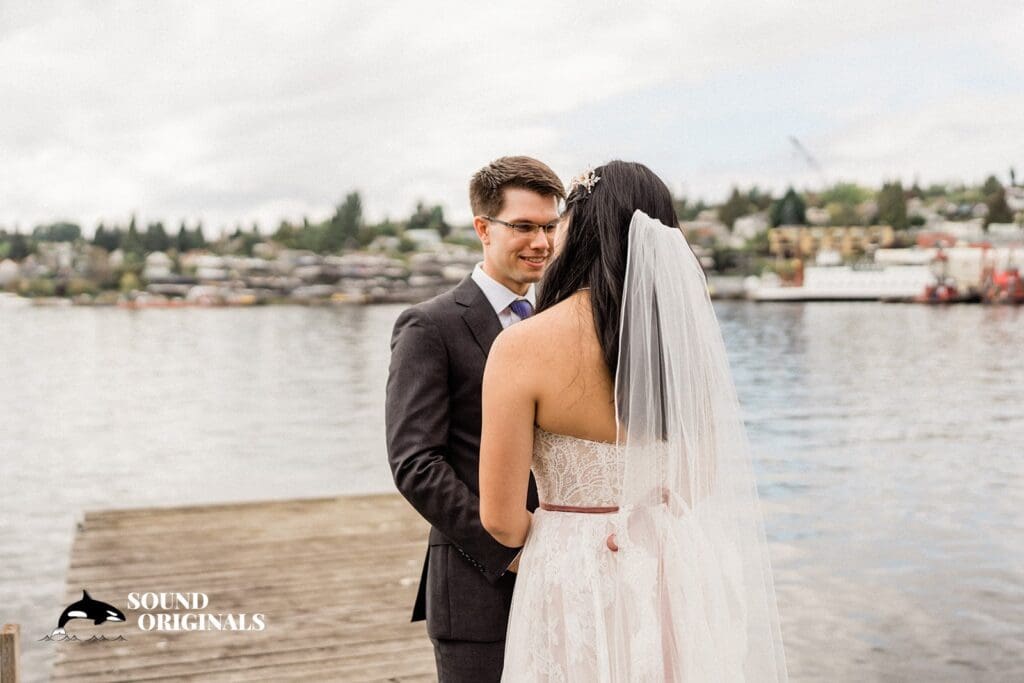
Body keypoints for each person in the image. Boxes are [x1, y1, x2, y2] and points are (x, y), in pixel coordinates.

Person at [480, 161, 789, 681]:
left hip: (569, 574)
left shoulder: (521, 346)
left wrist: (568, 540)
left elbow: (500, 518)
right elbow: (699, 480)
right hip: (665, 570)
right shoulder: (684, 348)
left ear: (583, 229)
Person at [386, 155, 565, 682]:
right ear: (484, 229)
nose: (541, 242)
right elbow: (415, 463)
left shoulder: (560, 322)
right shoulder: (429, 326)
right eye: (525, 227)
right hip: (476, 590)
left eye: (550, 227)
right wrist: (510, 550)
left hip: (566, 580)